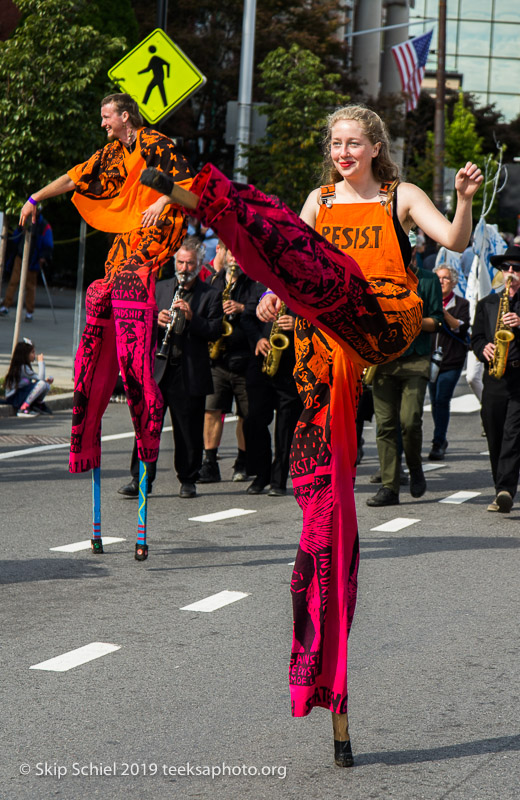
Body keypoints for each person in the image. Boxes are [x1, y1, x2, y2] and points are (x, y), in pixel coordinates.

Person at [141, 103, 482, 766]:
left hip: (380, 317)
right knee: (286, 242)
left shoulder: (399, 195)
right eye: (336, 143)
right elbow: (281, 254)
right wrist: (273, 296)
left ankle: (202, 190)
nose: (344, 151)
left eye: (355, 142)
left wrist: (463, 199)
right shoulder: (320, 200)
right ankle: (202, 198)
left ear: (378, 148)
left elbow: (456, 241)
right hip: (327, 330)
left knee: (322, 270)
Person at [19, 93, 192, 476]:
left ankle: (139, 376)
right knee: (104, 284)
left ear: (125, 116)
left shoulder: (156, 143)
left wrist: (162, 202)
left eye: (106, 117)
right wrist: (34, 198)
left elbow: (188, 187)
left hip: (159, 231)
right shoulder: (113, 153)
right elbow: (73, 177)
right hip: (128, 234)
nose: (102, 124)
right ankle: (101, 366)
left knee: (130, 278)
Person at [118, 237, 222, 499]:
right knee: (146, 425)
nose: (184, 268)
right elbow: (140, 323)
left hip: (187, 371)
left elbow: (215, 331)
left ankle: (188, 479)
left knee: (188, 429)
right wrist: (157, 319)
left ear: (198, 265)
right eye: (180, 262)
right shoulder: (160, 288)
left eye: (189, 263)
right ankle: (140, 478)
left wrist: (190, 318)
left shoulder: (209, 294)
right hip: (158, 369)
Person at [367, 266, 443, 506]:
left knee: (410, 420)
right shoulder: (377, 277)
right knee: (386, 425)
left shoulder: (429, 280)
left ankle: (414, 466)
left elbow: (437, 321)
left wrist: (406, 320)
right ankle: (389, 486)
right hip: (384, 360)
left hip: (416, 358)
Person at [197, 246, 259, 484]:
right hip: (218, 359)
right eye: (230, 252)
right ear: (221, 252)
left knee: (245, 414)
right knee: (211, 411)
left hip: (245, 358)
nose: (234, 257)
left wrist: (243, 308)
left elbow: (266, 304)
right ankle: (209, 462)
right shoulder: (214, 282)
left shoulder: (254, 281)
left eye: (238, 252)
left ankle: (242, 462)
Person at [471, 244, 520, 513]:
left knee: (513, 434)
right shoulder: (488, 303)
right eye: (505, 268)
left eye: (516, 268)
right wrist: (484, 348)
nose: (510, 272)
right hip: (495, 375)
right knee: (495, 433)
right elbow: (476, 338)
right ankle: (499, 486)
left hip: (519, 376)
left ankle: (506, 489)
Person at [242, 299, 302, 496]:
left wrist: (298, 324)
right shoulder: (263, 287)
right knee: (254, 421)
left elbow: (321, 321)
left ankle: (278, 480)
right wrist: (258, 338)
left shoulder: (304, 286)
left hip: (292, 367)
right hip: (262, 363)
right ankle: (262, 474)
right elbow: (247, 316)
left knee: (285, 428)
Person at [427, 263, 470, 460]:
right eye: (438, 278)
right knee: (435, 401)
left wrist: (441, 310)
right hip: (430, 360)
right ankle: (440, 437)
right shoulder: (427, 301)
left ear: (453, 283)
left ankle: (438, 441)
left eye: (445, 278)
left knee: (442, 399)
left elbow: (458, 327)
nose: (441, 282)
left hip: (452, 360)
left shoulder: (461, 304)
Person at [0, 211, 53, 321]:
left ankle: (29, 312)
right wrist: (20, 230)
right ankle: (6, 305)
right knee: (14, 281)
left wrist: (43, 256)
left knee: (30, 286)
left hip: (34, 259)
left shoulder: (44, 225)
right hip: (20, 256)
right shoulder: (24, 221)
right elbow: (15, 237)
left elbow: (48, 243)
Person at [3, 338, 54, 417]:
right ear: (25, 355)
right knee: (42, 384)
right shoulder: (22, 367)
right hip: (14, 398)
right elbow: (40, 378)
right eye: (32, 352)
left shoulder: (24, 367)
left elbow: (38, 379)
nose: (34, 355)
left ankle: (37, 405)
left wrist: (46, 380)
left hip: (20, 395)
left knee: (46, 384)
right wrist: (41, 362)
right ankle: (23, 408)